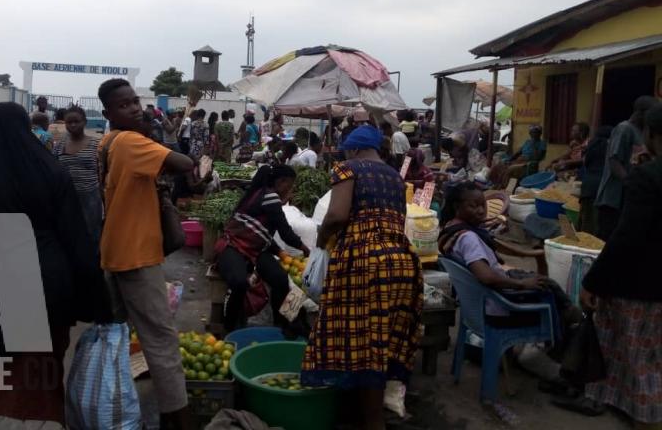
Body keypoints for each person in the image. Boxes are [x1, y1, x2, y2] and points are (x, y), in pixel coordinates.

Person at [0, 103, 109, 424]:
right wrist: (94, 299)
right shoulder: (52, 172)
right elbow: (76, 240)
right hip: (46, 289)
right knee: (42, 378)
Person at [302, 126, 423, 429]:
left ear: (353, 150)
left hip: (364, 262)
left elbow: (337, 215)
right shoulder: (395, 176)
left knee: (361, 342)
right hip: (403, 263)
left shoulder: (348, 168)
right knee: (381, 341)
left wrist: (321, 241)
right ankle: (368, 412)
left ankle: (371, 422)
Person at [98, 79, 195, 430]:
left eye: (135, 101)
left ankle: (109, 404)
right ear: (109, 113)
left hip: (114, 249)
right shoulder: (131, 142)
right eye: (124, 105)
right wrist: (159, 135)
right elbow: (183, 162)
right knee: (161, 342)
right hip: (136, 256)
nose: (135, 108)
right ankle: (177, 419)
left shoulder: (108, 140)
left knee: (117, 334)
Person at [578, 103, 662, 428]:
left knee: (639, 365)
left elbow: (626, 237)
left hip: (640, 287)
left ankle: (647, 420)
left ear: (650, 134)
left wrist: (592, 281)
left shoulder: (647, 177)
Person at [438, 182, 578, 336]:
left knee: (548, 285)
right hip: (498, 306)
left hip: (479, 302)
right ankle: (564, 336)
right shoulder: (468, 238)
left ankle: (570, 320)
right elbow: (486, 276)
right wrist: (521, 284)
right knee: (548, 292)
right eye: (473, 206)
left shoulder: (451, 228)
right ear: (457, 207)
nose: (480, 211)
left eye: (482, 205)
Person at [215, 164, 310, 334]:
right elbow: (286, 233)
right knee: (238, 282)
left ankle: (282, 324)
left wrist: (279, 251)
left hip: (255, 251)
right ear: (281, 182)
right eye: (290, 184)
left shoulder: (263, 195)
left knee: (280, 279)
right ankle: (230, 329)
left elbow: (262, 232)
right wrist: (306, 249)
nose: (291, 189)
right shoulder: (270, 196)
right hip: (234, 246)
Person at [595, 96, 656, 240]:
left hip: (627, 198)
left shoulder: (642, 133)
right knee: (607, 238)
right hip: (613, 199)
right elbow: (614, 161)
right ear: (641, 112)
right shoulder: (624, 129)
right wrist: (629, 182)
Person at [53, 106, 102, 241]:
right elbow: (54, 169)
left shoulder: (96, 144)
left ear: (85, 122)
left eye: (77, 121)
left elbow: (102, 172)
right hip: (67, 198)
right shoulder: (60, 144)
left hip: (90, 198)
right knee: (69, 234)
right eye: (69, 122)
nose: (73, 125)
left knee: (91, 234)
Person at [579, 126, 612, 235]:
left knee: (586, 225)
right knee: (596, 227)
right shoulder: (609, 148)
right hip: (600, 189)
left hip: (587, 187)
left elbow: (586, 164)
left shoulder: (592, 146)